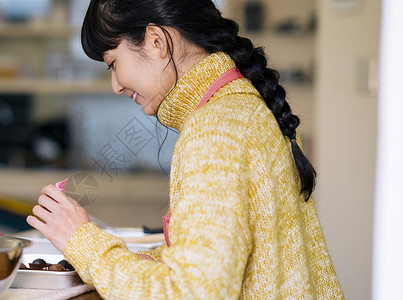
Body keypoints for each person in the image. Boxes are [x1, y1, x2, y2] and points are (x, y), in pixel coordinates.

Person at [26, 0, 344, 298]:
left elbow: (192, 292)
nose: (116, 85)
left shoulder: (214, 129)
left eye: (112, 64)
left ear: (156, 41)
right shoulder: (245, 106)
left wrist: (81, 241)